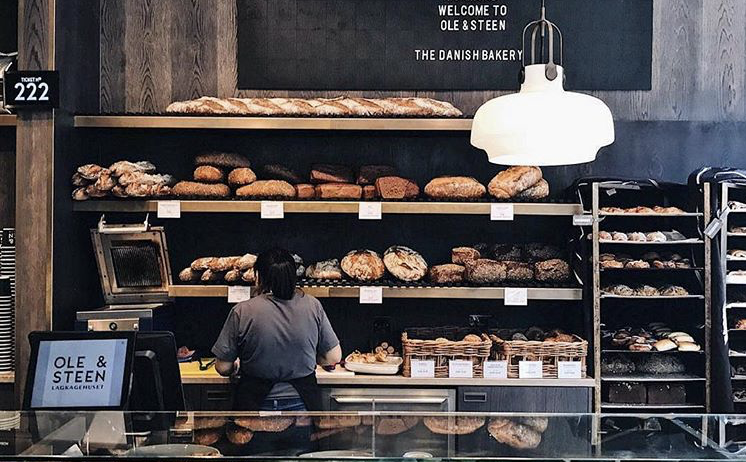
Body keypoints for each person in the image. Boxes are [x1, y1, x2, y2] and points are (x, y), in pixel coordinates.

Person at [212, 248, 342, 411]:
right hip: (302, 405)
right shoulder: (313, 305)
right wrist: (313, 359)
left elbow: (222, 367)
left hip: (255, 405)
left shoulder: (242, 310)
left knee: (250, 436)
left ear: (259, 277)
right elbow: (334, 357)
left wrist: (235, 366)